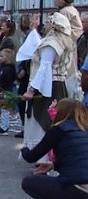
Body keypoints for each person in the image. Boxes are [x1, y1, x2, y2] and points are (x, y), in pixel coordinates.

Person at [19, 99, 88, 199]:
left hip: (79, 188)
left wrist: (23, 148)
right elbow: (80, 158)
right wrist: (53, 165)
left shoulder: (59, 130)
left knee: (28, 183)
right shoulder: (85, 130)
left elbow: (31, 157)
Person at [21, 12, 75, 164]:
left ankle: (44, 159)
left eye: (48, 22)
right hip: (58, 84)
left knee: (43, 121)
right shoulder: (64, 41)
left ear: (54, 25)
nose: (45, 25)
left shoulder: (52, 43)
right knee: (55, 120)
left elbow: (44, 68)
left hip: (48, 86)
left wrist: (31, 90)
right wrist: (33, 29)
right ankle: (48, 159)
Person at [0, 48, 17, 135]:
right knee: (3, 109)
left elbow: (8, 79)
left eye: (2, 56)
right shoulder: (4, 67)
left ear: (8, 58)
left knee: (5, 109)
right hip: (4, 90)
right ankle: (3, 126)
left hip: (7, 91)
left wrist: (1, 77)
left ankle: (4, 127)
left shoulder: (9, 68)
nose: (0, 58)